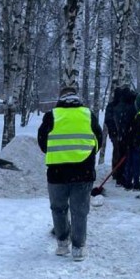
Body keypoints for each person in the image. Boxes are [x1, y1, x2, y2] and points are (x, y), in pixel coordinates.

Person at [37, 85, 103, 261]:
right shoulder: (88, 115)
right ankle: (78, 248)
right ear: (77, 98)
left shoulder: (51, 116)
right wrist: (86, 154)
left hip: (57, 172)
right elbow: (99, 139)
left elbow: (42, 143)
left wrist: (59, 154)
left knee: (58, 209)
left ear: (60, 98)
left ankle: (62, 243)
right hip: (83, 172)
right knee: (79, 211)